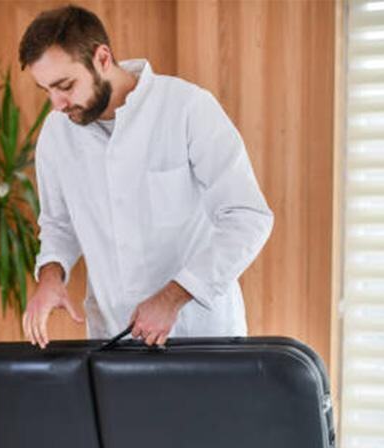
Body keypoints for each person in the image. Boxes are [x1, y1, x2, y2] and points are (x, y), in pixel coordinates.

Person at [18, 4, 273, 349]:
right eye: (46, 90)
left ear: (102, 58)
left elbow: (247, 217)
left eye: (65, 85)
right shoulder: (56, 133)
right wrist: (50, 275)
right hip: (114, 335)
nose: (57, 104)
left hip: (200, 333)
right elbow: (58, 224)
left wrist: (172, 297)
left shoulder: (187, 108)